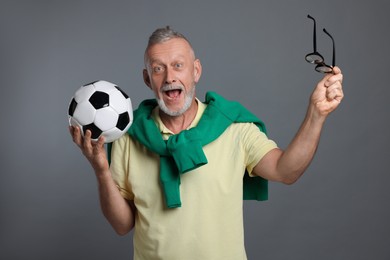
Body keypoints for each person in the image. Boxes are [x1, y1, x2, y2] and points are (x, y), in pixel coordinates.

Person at [69, 26, 344, 259]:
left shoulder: (234, 128)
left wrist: (315, 115)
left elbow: (287, 171)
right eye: (158, 69)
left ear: (196, 71)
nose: (170, 77)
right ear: (147, 79)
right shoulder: (129, 136)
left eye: (178, 65)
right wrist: (101, 170)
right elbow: (122, 224)